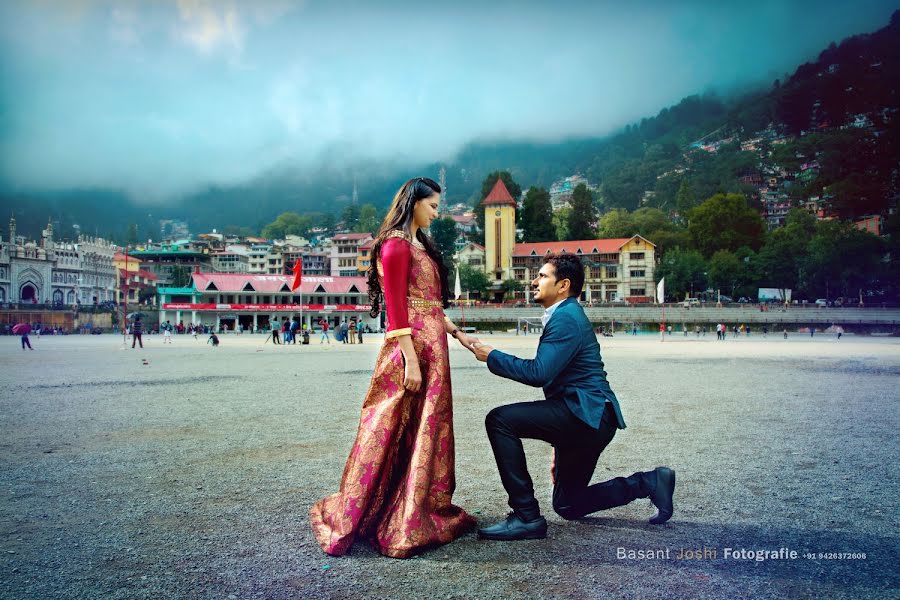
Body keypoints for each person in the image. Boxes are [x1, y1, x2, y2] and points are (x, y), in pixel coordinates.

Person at [310, 176, 477, 558]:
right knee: (389, 423)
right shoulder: (396, 245)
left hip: (433, 343)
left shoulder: (420, 244)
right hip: (412, 345)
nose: (437, 211)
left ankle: (415, 506)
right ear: (413, 203)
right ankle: (384, 513)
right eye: (432, 205)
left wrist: (459, 334)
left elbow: (431, 303)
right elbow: (396, 307)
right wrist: (410, 359)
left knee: (427, 425)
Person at [470, 253, 675, 541]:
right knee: (568, 504)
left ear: (563, 285)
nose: (534, 281)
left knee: (500, 420)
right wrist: (560, 439)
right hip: (589, 418)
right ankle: (648, 483)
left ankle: (526, 516)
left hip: (585, 415)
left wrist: (492, 356)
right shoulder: (566, 314)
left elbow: (539, 373)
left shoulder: (565, 318)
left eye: (542, 276)